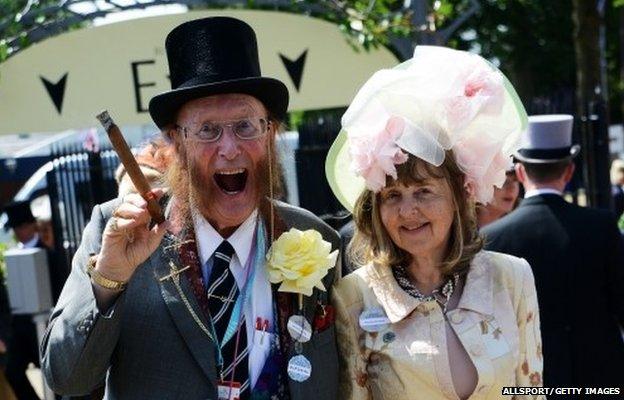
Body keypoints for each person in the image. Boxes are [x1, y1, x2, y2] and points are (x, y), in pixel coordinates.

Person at [40, 17, 340, 399]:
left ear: (270, 133)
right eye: (208, 130)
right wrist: (109, 278)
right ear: (175, 144)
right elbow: (66, 379)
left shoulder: (316, 240)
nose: (229, 148)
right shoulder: (119, 231)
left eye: (246, 126)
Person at [326, 46, 544, 399]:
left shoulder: (512, 277)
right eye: (392, 195)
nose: (408, 211)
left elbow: (532, 389)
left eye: (424, 191)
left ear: (459, 196)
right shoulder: (355, 296)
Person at [482, 114, 624, 388]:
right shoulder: (602, 226)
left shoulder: (492, 238)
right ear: (569, 171)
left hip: (529, 380)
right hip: (601, 378)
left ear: (521, 173)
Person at [2, 200, 45, 400]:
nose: (18, 232)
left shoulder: (47, 254)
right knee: (13, 372)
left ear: (30, 225)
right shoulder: (12, 256)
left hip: (44, 325)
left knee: (55, 375)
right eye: (15, 228)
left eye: (20, 226)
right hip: (20, 329)